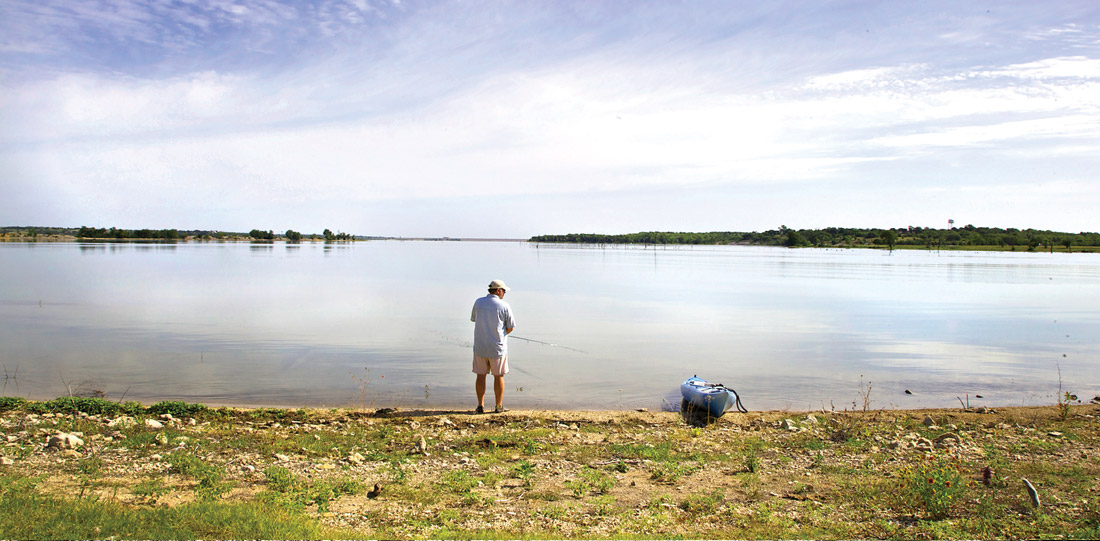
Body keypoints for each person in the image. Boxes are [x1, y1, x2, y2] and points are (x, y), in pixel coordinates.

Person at [470, 279, 516, 413]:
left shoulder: (478, 302)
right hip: (497, 348)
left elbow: (474, 319)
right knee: (499, 376)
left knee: (480, 375)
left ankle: (480, 406)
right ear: (498, 291)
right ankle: (498, 406)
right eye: (504, 291)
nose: (504, 293)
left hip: (480, 347)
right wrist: (502, 334)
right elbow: (511, 327)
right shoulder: (504, 306)